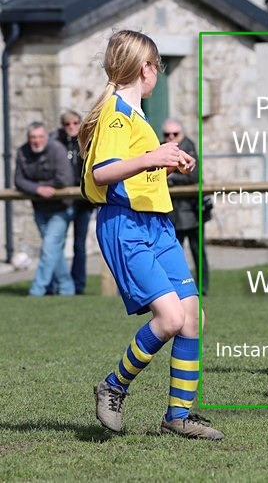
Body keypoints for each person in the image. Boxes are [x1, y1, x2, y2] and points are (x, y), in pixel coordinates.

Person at [79, 30, 223, 439]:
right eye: (157, 67)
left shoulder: (136, 114)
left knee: (193, 315)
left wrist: (168, 160)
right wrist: (153, 156)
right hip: (126, 227)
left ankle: (179, 415)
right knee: (171, 318)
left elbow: (136, 167)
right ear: (147, 69)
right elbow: (101, 173)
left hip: (157, 225)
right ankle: (114, 385)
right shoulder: (117, 114)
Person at [14, 122, 75, 297]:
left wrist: (38, 186)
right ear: (28, 138)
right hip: (40, 209)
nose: (36, 141)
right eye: (33, 137)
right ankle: (66, 289)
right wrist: (38, 189)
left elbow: (65, 179)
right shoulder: (22, 151)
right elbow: (18, 180)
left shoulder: (57, 149)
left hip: (61, 208)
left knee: (49, 248)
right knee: (53, 250)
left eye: (40, 137)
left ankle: (36, 291)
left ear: (46, 137)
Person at [49, 110, 94, 295]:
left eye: (75, 123)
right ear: (63, 125)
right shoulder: (56, 143)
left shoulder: (85, 142)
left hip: (82, 201)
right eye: (68, 124)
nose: (72, 127)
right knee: (55, 243)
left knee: (79, 245)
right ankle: (52, 285)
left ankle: (78, 285)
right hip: (63, 201)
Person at [163, 118, 210, 295]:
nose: (171, 138)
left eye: (175, 134)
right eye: (167, 134)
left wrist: (171, 179)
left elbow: (194, 176)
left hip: (193, 210)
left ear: (181, 134)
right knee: (173, 253)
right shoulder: (164, 148)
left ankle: (203, 288)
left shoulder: (188, 147)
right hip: (172, 212)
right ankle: (177, 288)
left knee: (198, 251)